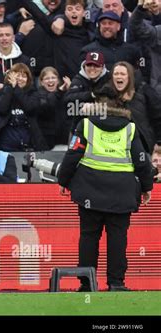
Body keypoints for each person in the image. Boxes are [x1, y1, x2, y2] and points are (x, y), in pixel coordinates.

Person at [58, 86, 153, 291]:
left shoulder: (85, 125)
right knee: (118, 238)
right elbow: (142, 161)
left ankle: (86, 284)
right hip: (122, 194)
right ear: (119, 103)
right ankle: (116, 283)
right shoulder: (130, 128)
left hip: (89, 191)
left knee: (89, 237)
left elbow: (72, 155)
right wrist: (146, 187)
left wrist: (63, 181)